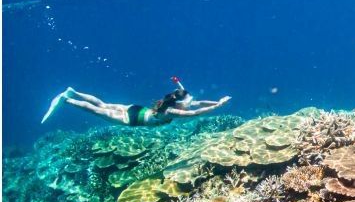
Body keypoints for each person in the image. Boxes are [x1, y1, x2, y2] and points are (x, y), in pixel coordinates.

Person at [41, 77, 231, 126]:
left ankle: (73, 91)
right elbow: (194, 113)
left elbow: (198, 104)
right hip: (132, 119)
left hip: (136, 109)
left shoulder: (171, 103)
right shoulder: (171, 112)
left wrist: (216, 101)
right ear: (179, 103)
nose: (191, 102)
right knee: (96, 111)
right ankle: (66, 100)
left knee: (104, 104)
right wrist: (219, 106)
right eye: (188, 100)